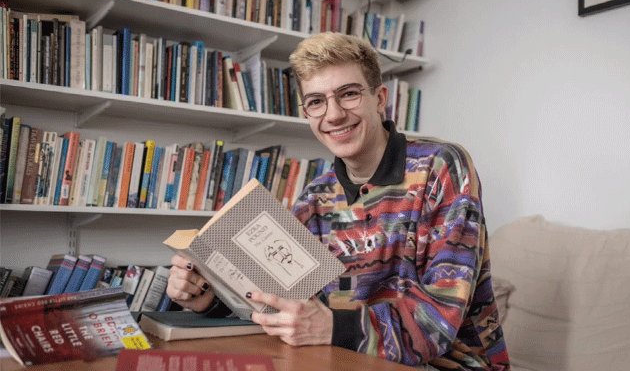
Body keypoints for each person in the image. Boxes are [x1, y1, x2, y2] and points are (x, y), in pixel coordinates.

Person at [166, 32, 510, 370]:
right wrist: (209, 298)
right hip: (344, 358)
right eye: (316, 101)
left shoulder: (442, 166)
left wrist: (333, 327)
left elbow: (438, 320)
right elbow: (288, 305)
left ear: (379, 98)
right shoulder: (315, 197)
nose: (333, 115)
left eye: (348, 94)